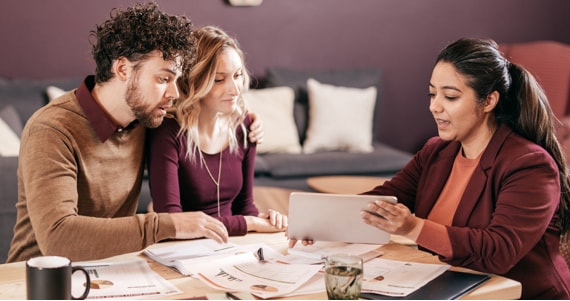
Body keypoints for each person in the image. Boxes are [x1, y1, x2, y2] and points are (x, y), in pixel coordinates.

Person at [7, 3, 264, 263]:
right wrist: (169, 224)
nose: (174, 94)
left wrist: (247, 123)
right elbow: (58, 239)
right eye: (163, 79)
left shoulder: (147, 119)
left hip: (112, 272)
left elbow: (201, 117)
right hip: (38, 280)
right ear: (122, 70)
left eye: (176, 80)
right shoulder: (52, 129)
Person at [356, 38, 570, 299]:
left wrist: (413, 227)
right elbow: (382, 201)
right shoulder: (436, 152)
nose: (434, 106)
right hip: (447, 289)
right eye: (432, 94)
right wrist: (313, 224)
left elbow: (499, 251)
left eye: (450, 96)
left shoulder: (530, 165)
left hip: (517, 294)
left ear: (489, 101)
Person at [147, 26, 287, 236]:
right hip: (184, 250)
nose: (235, 89)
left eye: (238, 75)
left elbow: (245, 207)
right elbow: (171, 223)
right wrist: (249, 223)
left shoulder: (245, 126)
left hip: (231, 246)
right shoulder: (168, 133)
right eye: (219, 79)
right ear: (194, 81)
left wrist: (263, 220)